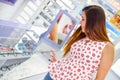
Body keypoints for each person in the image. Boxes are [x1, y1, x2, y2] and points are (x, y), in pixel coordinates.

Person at [44, 5, 114, 80]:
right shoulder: (82, 37)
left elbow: (100, 78)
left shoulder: (107, 47)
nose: (80, 22)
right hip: (54, 74)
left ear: (93, 21)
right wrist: (59, 62)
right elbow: (73, 60)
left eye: (83, 19)